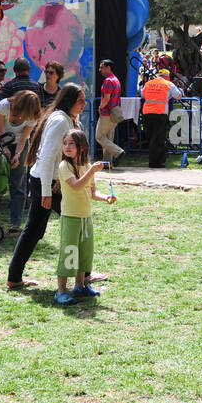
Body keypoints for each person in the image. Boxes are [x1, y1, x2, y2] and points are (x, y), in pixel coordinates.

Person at [7, 84, 89, 290]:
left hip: (51, 182)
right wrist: (46, 191)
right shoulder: (61, 120)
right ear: (69, 100)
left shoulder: (67, 119)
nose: (84, 104)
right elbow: (46, 158)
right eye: (80, 100)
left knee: (35, 230)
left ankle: (14, 276)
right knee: (77, 224)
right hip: (48, 183)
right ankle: (84, 276)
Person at [54, 129, 115, 305]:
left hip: (85, 218)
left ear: (81, 147)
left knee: (84, 254)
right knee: (69, 253)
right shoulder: (64, 167)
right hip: (70, 217)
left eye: (71, 143)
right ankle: (60, 291)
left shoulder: (87, 166)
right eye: (65, 143)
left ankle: (80, 286)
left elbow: (92, 192)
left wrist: (106, 198)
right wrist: (93, 171)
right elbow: (77, 186)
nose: (67, 147)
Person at [0, 90, 42, 234]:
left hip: (19, 144)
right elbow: (0, 130)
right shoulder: (3, 106)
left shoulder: (33, 116)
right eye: (18, 113)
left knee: (18, 182)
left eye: (24, 115)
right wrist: (5, 147)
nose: (20, 117)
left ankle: (15, 222)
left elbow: (23, 138)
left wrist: (17, 155)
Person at [140, 69, 176, 169]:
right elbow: (178, 95)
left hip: (147, 113)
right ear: (167, 76)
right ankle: (156, 162)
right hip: (160, 114)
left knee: (151, 138)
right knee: (158, 138)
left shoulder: (148, 83)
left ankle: (157, 159)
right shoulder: (169, 84)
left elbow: (142, 94)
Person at [95, 59, 124, 170]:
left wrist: (100, 107)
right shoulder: (115, 80)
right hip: (115, 113)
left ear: (108, 67)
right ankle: (107, 163)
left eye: (101, 67)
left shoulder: (108, 81)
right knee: (108, 138)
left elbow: (106, 98)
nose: (100, 70)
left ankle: (119, 152)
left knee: (99, 136)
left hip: (107, 113)